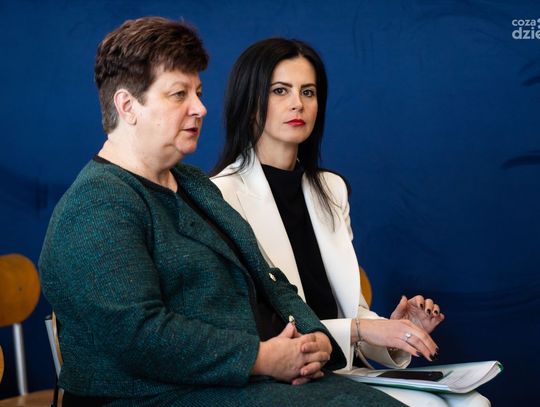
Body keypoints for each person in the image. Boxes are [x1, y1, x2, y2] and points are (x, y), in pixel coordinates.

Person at [39, 17, 407, 407]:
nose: (200, 108)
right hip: (151, 396)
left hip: (233, 383)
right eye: (179, 94)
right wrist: (261, 358)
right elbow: (139, 336)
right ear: (128, 106)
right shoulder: (97, 204)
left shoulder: (193, 184)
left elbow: (270, 280)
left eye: (198, 92)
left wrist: (315, 337)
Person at [211, 38, 490, 406]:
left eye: (308, 92)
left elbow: (349, 308)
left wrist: (399, 330)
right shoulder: (221, 195)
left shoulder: (331, 189)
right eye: (280, 91)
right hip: (289, 374)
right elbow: (262, 325)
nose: (298, 104)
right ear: (249, 103)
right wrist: (364, 329)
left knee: (474, 402)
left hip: (345, 368)